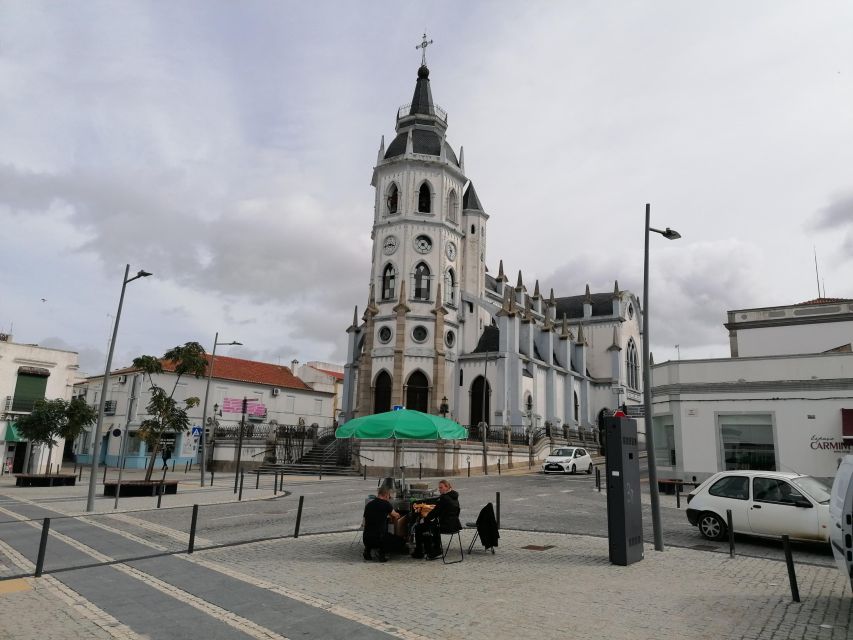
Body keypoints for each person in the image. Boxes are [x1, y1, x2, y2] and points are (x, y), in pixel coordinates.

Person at [412, 479, 461, 560]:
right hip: (455, 524)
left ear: (447, 487)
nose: (439, 489)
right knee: (429, 525)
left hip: (446, 526)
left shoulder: (444, 498)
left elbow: (435, 513)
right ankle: (429, 549)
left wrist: (425, 518)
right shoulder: (454, 497)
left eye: (441, 487)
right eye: (439, 488)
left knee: (420, 527)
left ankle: (425, 551)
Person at [362, 486, 400, 562]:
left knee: (372, 532)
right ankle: (382, 554)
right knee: (399, 541)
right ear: (386, 495)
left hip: (366, 539)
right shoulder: (386, 504)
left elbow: (364, 523)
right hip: (379, 539)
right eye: (389, 496)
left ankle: (367, 551)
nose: (389, 497)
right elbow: (396, 515)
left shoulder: (369, 505)